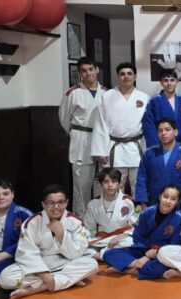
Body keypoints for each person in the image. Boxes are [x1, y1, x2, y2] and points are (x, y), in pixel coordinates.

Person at [0, 184, 97, 299]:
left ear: (66, 203)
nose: (56, 207)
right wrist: (45, 276)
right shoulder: (32, 222)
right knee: (5, 278)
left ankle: (37, 288)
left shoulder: (76, 222)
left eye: (60, 202)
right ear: (43, 204)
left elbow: (76, 253)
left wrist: (61, 234)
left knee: (92, 264)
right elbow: (27, 253)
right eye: (51, 203)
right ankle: (66, 281)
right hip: (39, 265)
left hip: (65, 262)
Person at [90, 62, 149, 194]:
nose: (126, 76)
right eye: (122, 74)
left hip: (136, 147)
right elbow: (100, 124)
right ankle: (116, 214)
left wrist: (149, 151)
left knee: (138, 185)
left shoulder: (144, 97)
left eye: (129, 74)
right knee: (115, 186)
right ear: (118, 76)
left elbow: (148, 126)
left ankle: (138, 214)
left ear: (135, 76)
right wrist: (101, 150)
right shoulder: (107, 96)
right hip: (115, 148)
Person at [102, 185, 181, 280]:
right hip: (143, 249)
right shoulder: (148, 212)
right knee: (108, 254)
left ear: (177, 201)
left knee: (159, 268)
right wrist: (145, 254)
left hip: (161, 255)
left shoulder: (180, 218)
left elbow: (174, 244)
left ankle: (127, 269)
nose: (168, 201)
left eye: (173, 199)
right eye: (165, 196)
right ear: (160, 196)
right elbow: (138, 235)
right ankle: (137, 265)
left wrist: (152, 254)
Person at [58, 57, 106, 216]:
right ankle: (81, 220)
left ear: (96, 70)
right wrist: (76, 133)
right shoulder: (72, 93)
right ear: (79, 73)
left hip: (101, 138)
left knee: (102, 182)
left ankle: (100, 218)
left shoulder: (106, 92)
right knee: (81, 184)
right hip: (81, 138)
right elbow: (64, 118)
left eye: (91, 69)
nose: (88, 73)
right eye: (84, 71)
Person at [135, 118, 181, 208]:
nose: (163, 133)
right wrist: (143, 202)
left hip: (179, 204)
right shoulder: (149, 153)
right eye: (160, 131)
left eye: (167, 130)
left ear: (176, 132)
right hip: (154, 203)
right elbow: (142, 179)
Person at [83, 168, 137, 260]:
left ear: (120, 184)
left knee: (130, 242)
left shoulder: (128, 201)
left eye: (114, 181)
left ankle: (102, 255)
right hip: (102, 240)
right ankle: (109, 255)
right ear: (100, 184)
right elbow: (88, 227)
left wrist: (124, 235)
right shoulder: (93, 204)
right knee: (81, 246)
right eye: (106, 182)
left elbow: (136, 224)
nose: (110, 185)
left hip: (121, 239)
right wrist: (89, 239)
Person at [142, 69, 181, 147]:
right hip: (161, 145)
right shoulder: (154, 101)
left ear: (177, 82)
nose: (169, 83)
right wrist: (155, 147)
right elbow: (149, 126)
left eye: (172, 80)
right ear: (161, 82)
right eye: (166, 80)